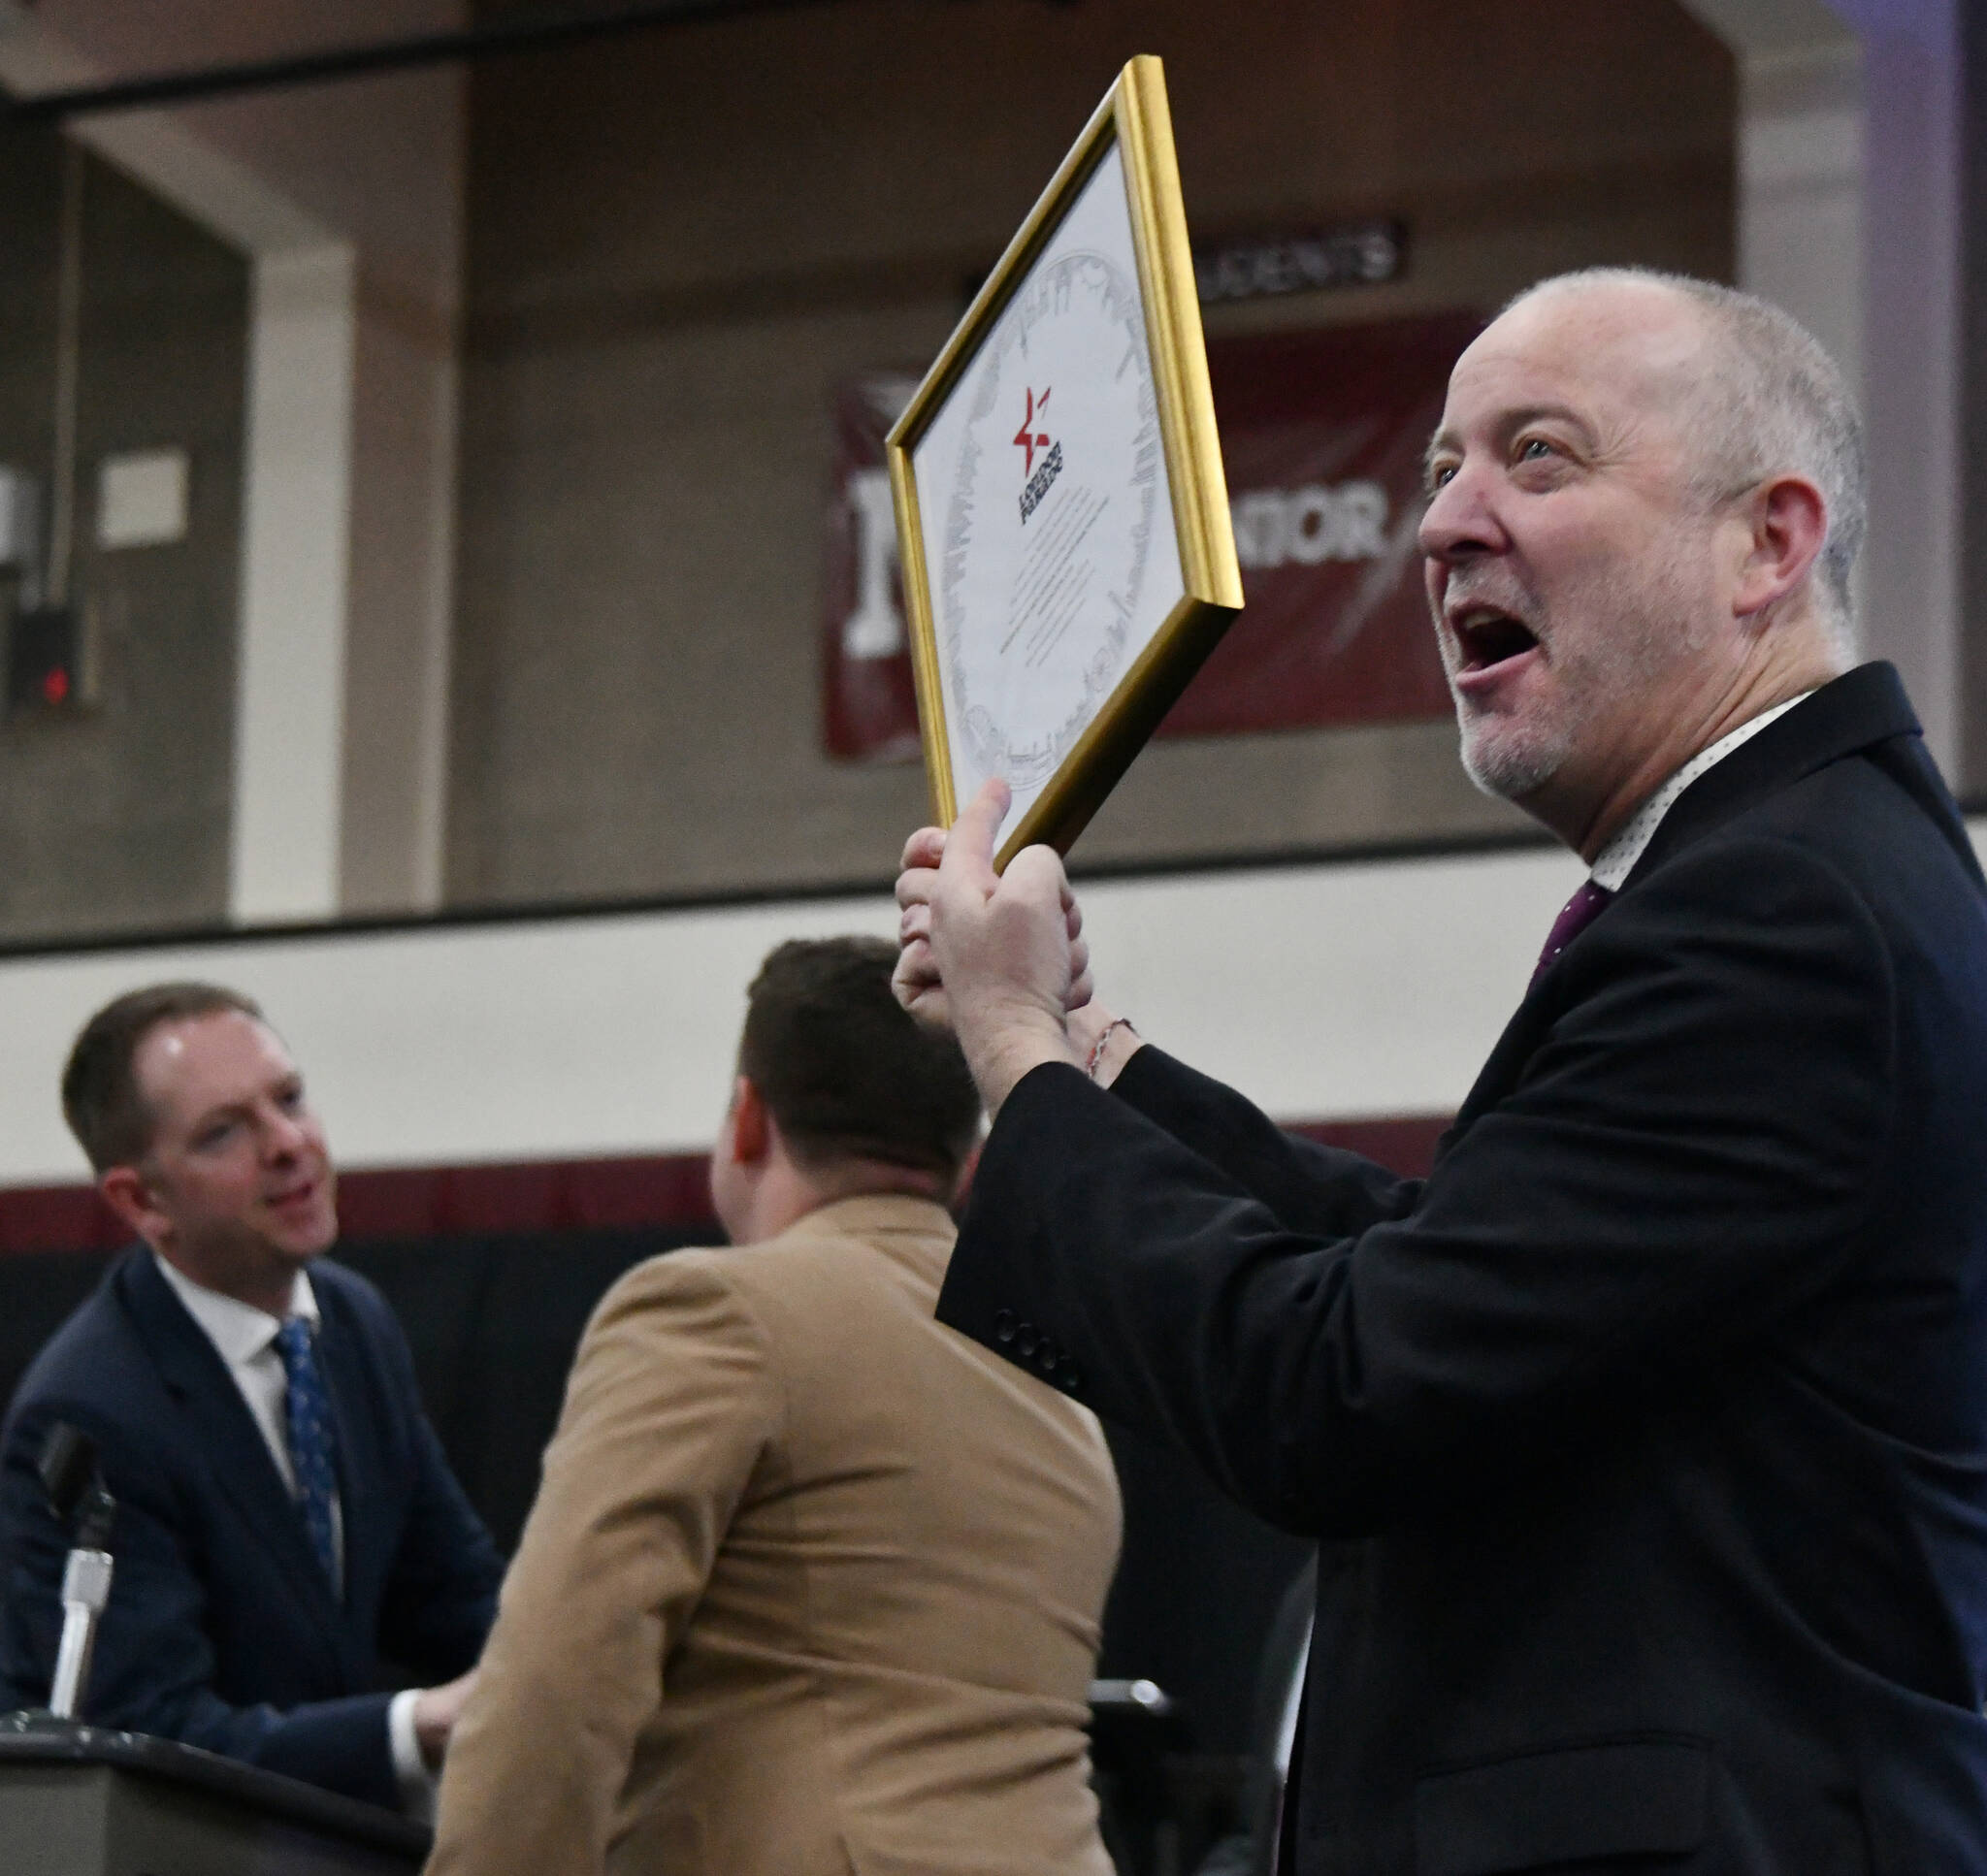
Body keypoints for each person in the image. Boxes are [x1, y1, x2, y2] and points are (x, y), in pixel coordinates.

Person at [896, 269, 1987, 1873]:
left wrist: (1008, 1056)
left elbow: (1340, 1393)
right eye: (1432, 472)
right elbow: (1439, 1276)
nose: (1441, 525)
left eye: (1535, 458)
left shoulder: (1783, 913)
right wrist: (1086, 1051)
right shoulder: (1793, 873)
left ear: (1766, 542)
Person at [428, 936, 1122, 1876]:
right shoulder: (1052, 1378)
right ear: (963, 1164)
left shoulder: (717, 1312)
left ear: (746, 1119)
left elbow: (559, 1680)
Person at [0, 983, 504, 1812]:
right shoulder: (92, 1413)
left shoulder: (352, 1323)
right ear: (140, 1200)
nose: (289, 1144)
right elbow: (150, 1741)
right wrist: (418, 1728)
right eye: (223, 1131)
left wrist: (583, 1648)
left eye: (290, 1099)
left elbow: (451, 1594)